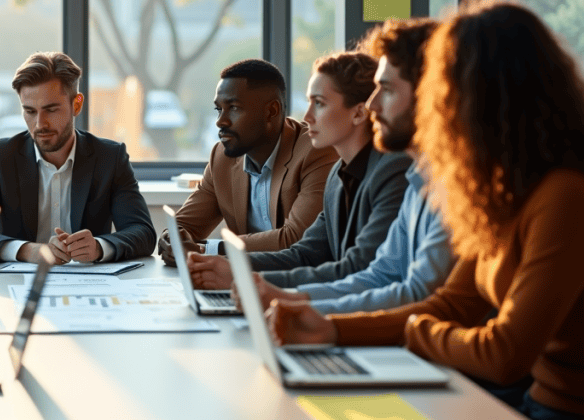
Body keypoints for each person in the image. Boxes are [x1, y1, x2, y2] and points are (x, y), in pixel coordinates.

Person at [265, 0, 584, 420]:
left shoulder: (563, 195)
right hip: (529, 406)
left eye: (440, 92)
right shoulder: (500, 192)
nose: (374, 106)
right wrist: (331, 329)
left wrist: (413, 330)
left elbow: (503, 354)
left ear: (479, 98)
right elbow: (453, 303)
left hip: (556, 415)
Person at [251, 18, 454, 314]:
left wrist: (317, 318)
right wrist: (285, 296)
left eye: (386, 89)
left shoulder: (400, 172)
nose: (373, 105)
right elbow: (379, 274)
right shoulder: (413, 178)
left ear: (430, 96)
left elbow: (416, 293)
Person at [188, 51, 411, 290]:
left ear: (358, 113)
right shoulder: (338, 174)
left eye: (320, 104)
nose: (308, 117)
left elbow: (356, 269)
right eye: (309, 102)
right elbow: (303, 254)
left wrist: (242, 278)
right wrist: (227, 265)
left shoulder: (392, 172)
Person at [0, 52, 155, 264]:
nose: (40, 124)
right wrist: (26, 250)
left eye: (51, 110)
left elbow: (143, 233)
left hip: (89, 284)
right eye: (30, 111)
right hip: (14, 286)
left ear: (76, 105)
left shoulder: (109, 158)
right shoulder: (1, 156)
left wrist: (98, 247)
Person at [158, 59, 338, 265]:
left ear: (271, 111)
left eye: (233, 108)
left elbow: (297, 239)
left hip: (300, 284)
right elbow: (184, 226)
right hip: (242, 282)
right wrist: (171, 241)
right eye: (219, 109)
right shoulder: (222, 158)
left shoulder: (316, 150)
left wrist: (208, 249)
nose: (220, 121)